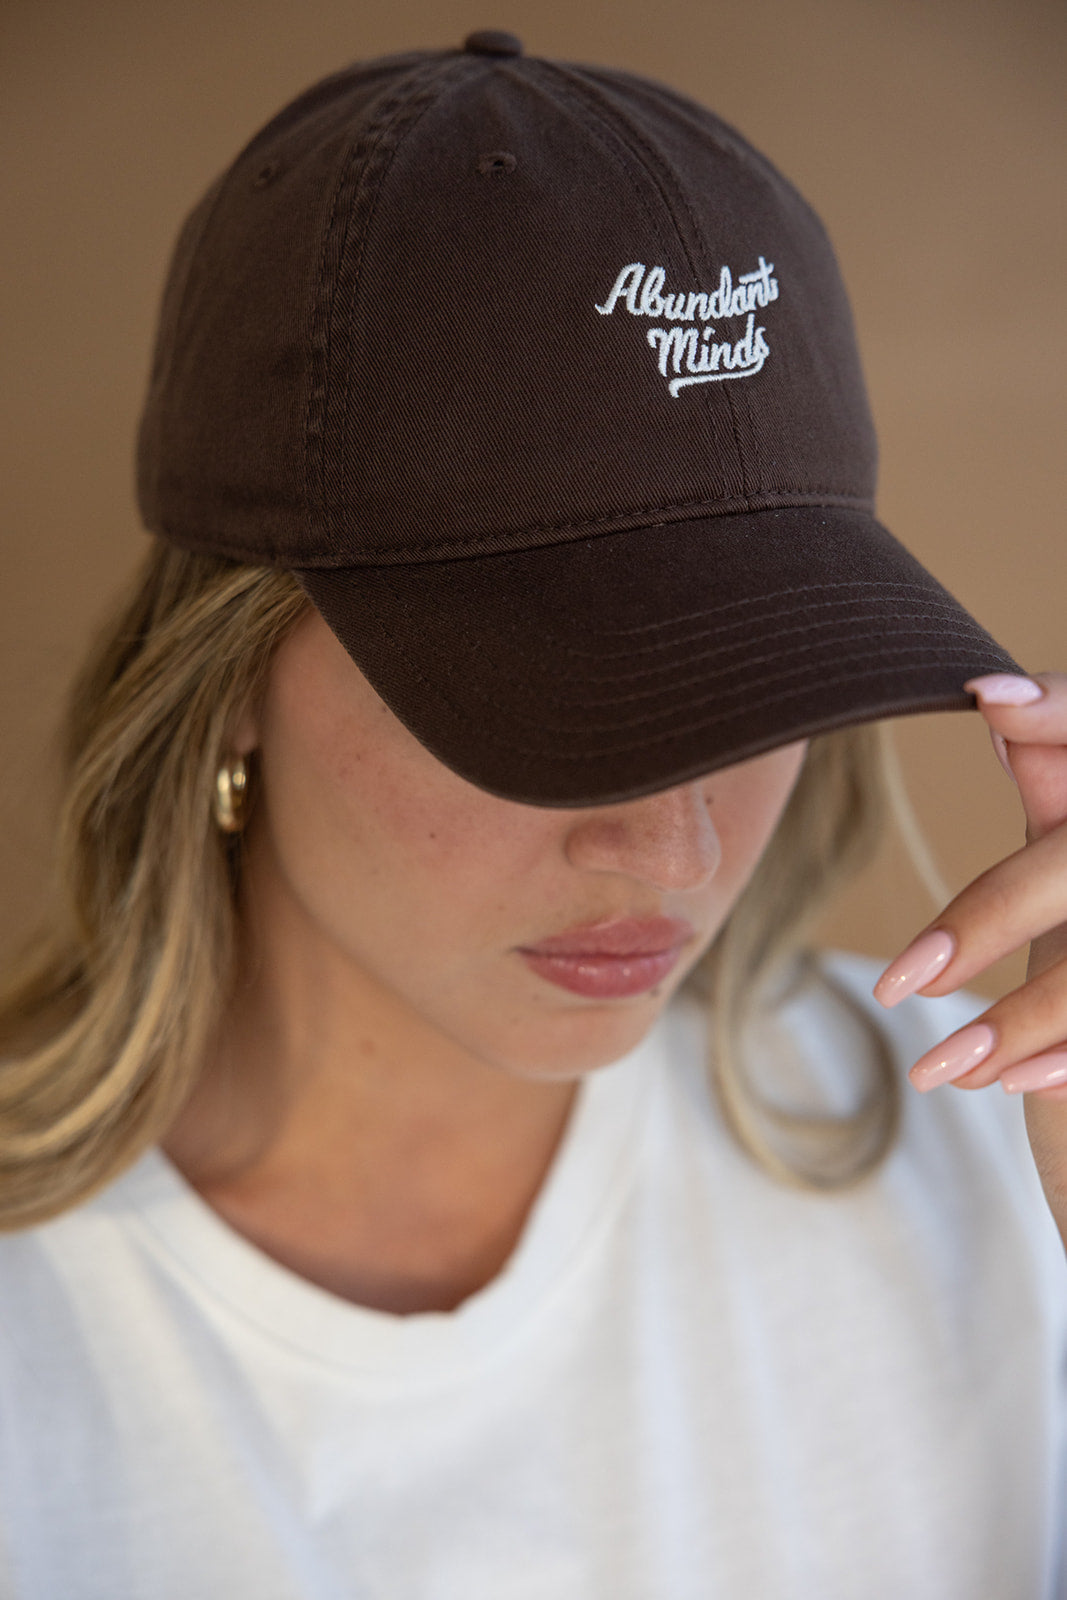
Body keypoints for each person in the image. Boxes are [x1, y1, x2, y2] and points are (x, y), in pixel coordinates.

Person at [0, 30, 1065, 1599]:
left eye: (755, 684)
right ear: (223, 681)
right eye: (550, 706)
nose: (675, 849)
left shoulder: (1008, 1154)